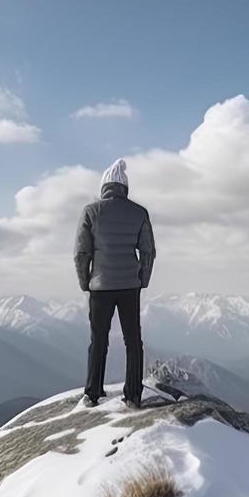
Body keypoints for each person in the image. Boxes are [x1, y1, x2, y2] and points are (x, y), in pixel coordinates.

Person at [74, 158, 156, 408]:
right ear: (124, 187)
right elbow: (148, 251)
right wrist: (143, 279)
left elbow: (81, 252)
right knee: (133, 341)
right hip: (130, 285)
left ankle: (92, 393)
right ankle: (133, 395)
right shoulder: (139, 212)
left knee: (98, 339)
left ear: (104, 187)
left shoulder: (91, 211)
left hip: (100, 287)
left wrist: (85, 282)